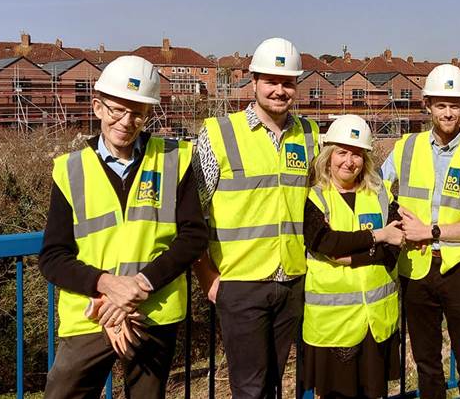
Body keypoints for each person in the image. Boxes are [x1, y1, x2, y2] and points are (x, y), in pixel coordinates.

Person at [39, 55, 208, 399]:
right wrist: (107, 290)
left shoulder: (175, 159)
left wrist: (137, 288)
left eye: (138, 113)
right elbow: (53, 257)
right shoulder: (70, 170)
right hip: (91, 317)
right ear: (98, 107)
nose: (126, 121)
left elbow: (193, 237)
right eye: (117, 110)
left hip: (153, 314)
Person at [192, 37, 319, 399]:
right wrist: (207, 278)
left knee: (275, 383)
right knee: (249, 390)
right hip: (239, 283)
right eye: (271, 81)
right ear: (254, 82)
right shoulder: (219, 133)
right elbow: (192, 213)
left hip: (292, 280)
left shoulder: (309, 135)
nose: (280, 90)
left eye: (288, 82)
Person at [380, 63, 460, 399]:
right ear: (428, 105)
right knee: (426, 362)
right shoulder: (406, 146)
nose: (448, 113)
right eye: (441, 104)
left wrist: (430, 231)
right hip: (416, 269)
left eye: (455, 105)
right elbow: (375, 187)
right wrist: (394, 215)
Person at [302, 114, 404, 398]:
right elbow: (326, 242)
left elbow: (395, 247)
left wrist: (354, 257)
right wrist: (377, 236)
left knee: (373, 392)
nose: (349, 161)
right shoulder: (315, 198)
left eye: (357, 154)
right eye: (342, 153)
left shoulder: (380, 194)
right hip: (334, 325)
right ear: (328, 156)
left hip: (376, 322)